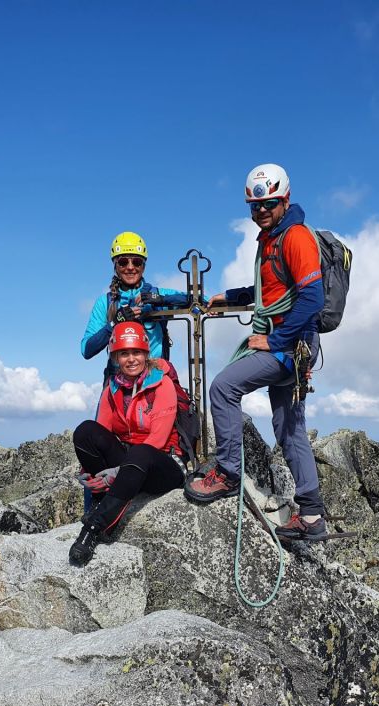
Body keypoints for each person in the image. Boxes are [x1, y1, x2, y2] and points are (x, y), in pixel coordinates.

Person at [184, 163, 329, 543]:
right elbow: (271, 289)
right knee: (288, 427)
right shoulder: (273, 239)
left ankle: (229, 474)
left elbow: (313, 297)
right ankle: (312, 515)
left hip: (290, 346)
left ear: (285, 200)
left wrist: (275, 341)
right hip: (295, 347)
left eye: (269, 204)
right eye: (255, 207)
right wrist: (230, 297)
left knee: (222, 388)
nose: (261, 211)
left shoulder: (294, 237)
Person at [70, 321, 185, 566]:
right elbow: (102, 431)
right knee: (85, 432)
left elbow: (158, 439)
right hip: (131, 461)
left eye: (136, 353)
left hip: (162, 465)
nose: (131, 359)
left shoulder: (161, 383)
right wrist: (88, 471)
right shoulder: (112, 388)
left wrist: (115, 472)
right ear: (115, 358)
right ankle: (104, 498)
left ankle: (94, 527)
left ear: (145, 354)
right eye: (124, 354)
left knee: (142, 452)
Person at [81, 231, 188, 370]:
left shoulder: (158, 294)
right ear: (115, 266)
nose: (130, 267)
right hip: (118, 382)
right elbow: (87, 350)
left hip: (155, 378)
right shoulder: (105, 303)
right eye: (123, 262)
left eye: (136, 262)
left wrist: (162, 299)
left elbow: (198, 300)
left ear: (143, 266)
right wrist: (115, 323)